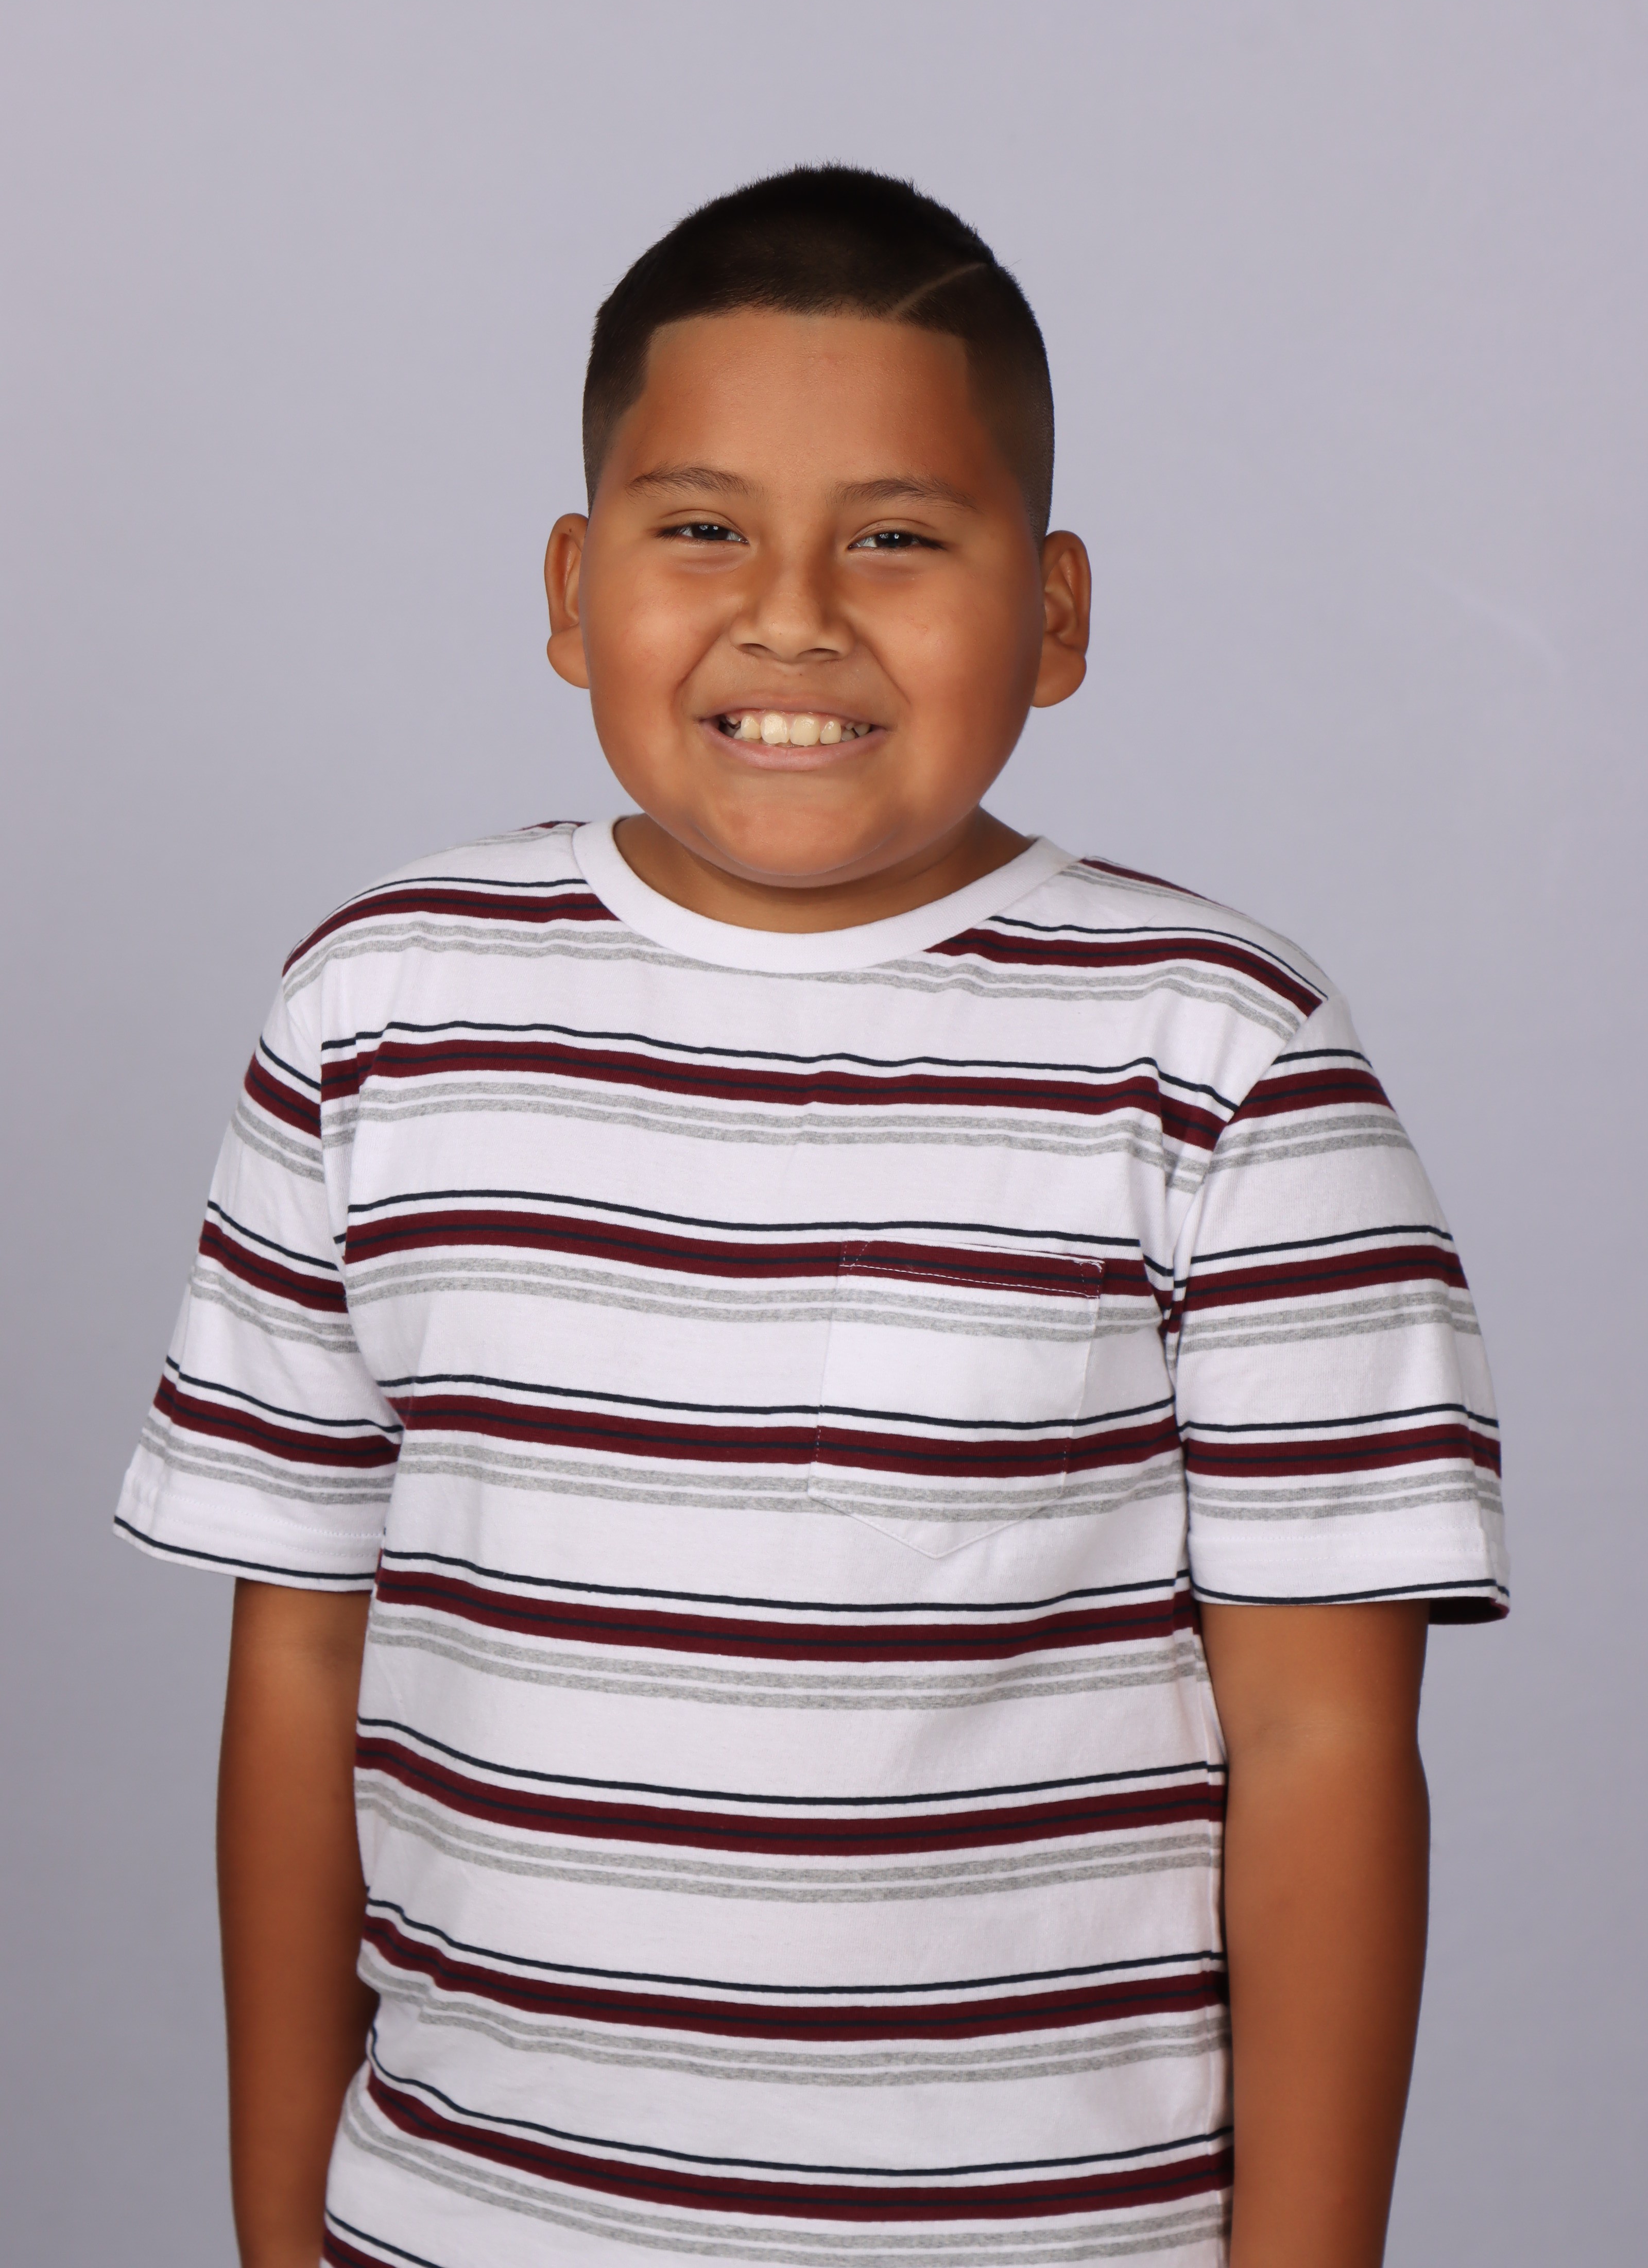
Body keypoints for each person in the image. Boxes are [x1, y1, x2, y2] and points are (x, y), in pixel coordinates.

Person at [116, 166, 1507, 2268]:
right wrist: (277, 2233)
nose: (791, 615)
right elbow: (304, 1654)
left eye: (896, 537)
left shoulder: (1221, 1059)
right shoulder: (375, 1014)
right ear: (573, 587)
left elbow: (1324, 1742)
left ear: (1054, 614)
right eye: (701, 530)